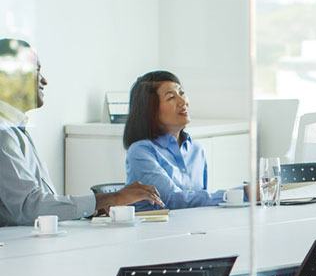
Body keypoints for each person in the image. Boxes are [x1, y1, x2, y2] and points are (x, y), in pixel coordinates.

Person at [0, 39, 162, 227]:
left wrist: (96, 206)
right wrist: (107, 199)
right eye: (37, 70)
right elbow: (29, 209)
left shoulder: (15, 130)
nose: (44, 80)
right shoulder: (3, 134)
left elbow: (39, 204)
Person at [124, 71, 228, 209]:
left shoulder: (196, 149)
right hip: (155, 230)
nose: (183, 101)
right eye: (171, 97)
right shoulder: (140, 152)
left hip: (191, 228)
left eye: (182, 93)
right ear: (150, 110)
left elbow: (201, 203)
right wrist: (239, 194)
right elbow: (173, 200)